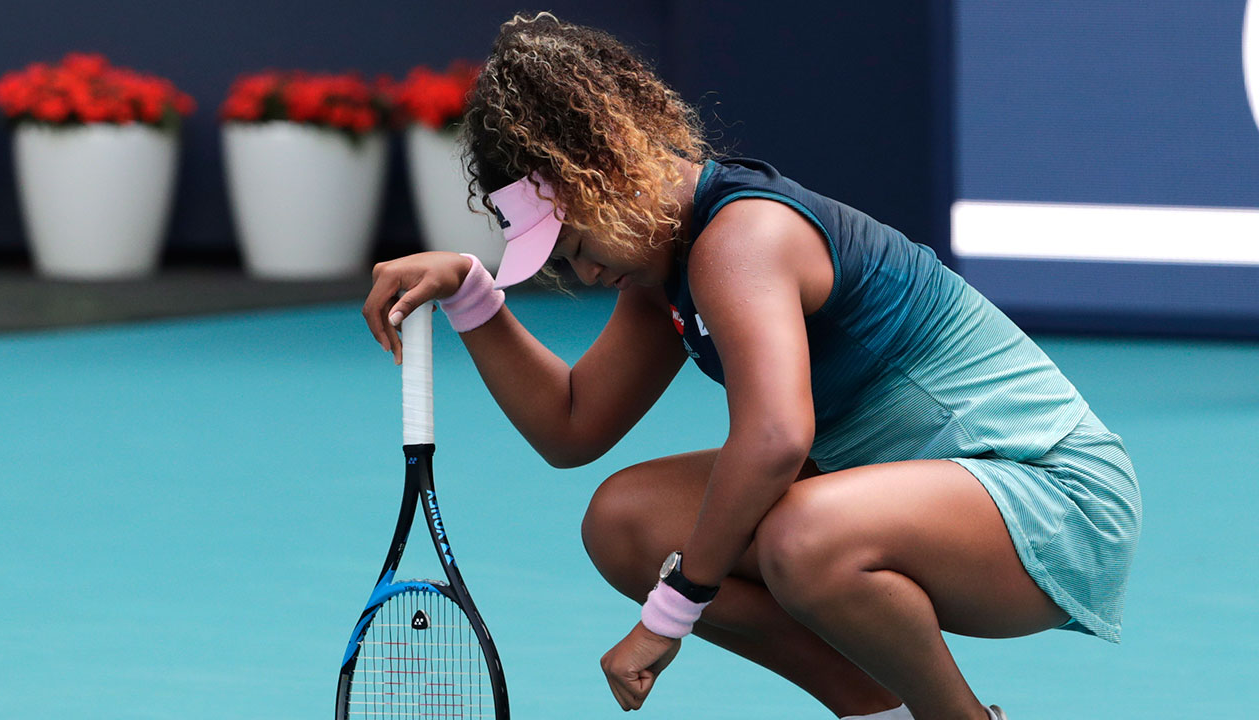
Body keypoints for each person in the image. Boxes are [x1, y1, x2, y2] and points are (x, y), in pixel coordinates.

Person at [362, 13, 1141, 720]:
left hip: (1052, 499)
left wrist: (666, 618)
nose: (587, 275)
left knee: (804, 538)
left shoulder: (742, 239)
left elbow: (774, 438)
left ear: (606, 173)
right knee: (626, 524)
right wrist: (472, 294)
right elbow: (572, 426)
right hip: (922, 492)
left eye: (576, 246)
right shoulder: (665, 265)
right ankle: (879, 714)